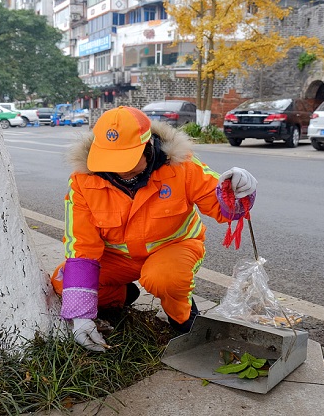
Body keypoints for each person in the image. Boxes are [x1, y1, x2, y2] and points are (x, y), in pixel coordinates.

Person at [50, 106, 258, 352]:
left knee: (164, 279)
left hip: (172, 248)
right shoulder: (83, 181)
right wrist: (81, 316)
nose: (118, 169)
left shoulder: (182, 167)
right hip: (118, 258)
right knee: (64, 282)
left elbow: (226, 209)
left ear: (148, 147)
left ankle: (182, 317)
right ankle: (122, 296)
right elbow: (81, 247)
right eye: (110, 159)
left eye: (125, 159)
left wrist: (239, 191)